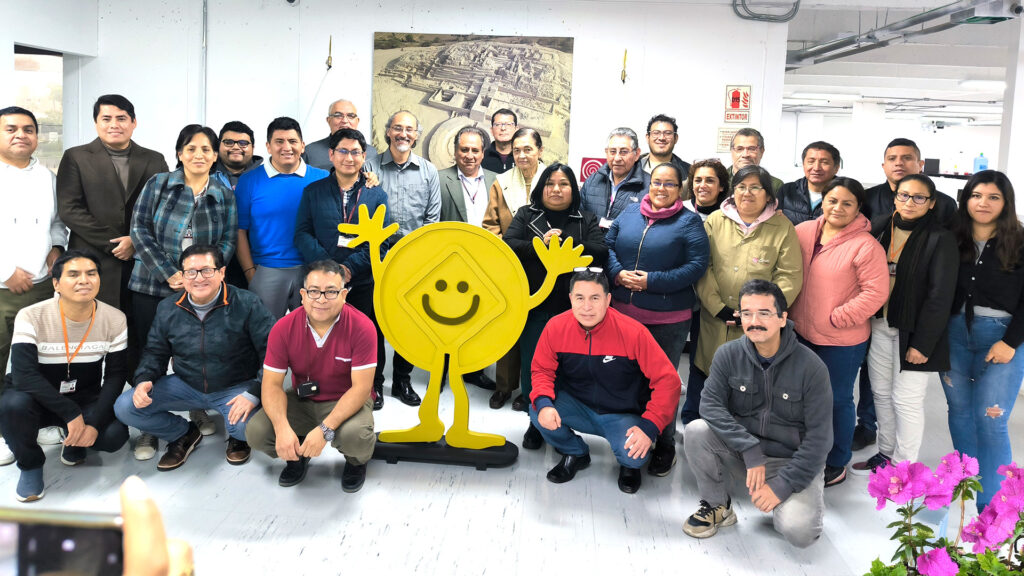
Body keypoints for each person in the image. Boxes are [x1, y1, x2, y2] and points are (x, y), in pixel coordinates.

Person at [683, 280, 831, 548]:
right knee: (696, 430)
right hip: (745, 455)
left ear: (782, 318)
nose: (754, 322)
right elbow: (710, 405)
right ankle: (717, 505)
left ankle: (790, 503)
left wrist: (782, 487)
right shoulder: (728, 354)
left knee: (800, 533)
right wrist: (749, 449)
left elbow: (820, 440)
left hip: (789, 461)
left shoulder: (812, 367)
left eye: (764, 313)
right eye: (747, 313)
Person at [114, 244, 276, 471]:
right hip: (186, 384)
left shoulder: (247, 303)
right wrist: (144, 380)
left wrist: (254, 393)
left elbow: (273, 353)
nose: (199, 278)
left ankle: (236, 435)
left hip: (235, 387)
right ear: (182, 276)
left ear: (222, 272)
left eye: (207, 270)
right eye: (190, 272)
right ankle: (183, 433)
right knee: (125, 406)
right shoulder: (168, 308)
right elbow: (155, 352)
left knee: (250, 431)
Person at [130, 124, 238, 447]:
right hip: (152, 283)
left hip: (201, 289)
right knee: (149, 352)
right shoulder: (159, 184)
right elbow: (139, 229)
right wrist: (168, 272)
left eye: (206, 149)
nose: (198, 155)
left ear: (215, 155)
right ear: (179, 153)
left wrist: (202, 277)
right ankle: (150, 421)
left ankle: (196, 408)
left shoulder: (224, 194)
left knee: (196, 351)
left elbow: (228, 240)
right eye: (191, 148)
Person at [529, 269, 681, 493]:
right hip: (577, 405)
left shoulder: (633, 332)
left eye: (595, 298)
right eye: (580, 298)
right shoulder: (555, 327)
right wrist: (544, 404)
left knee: (634, 456)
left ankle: (628, 466)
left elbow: (668, 381)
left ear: (608, 300)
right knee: (537, 410)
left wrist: (649, 426)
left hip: (621, 413)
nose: (587, 307)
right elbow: (542, 370)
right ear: (570, 299)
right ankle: (576, 452)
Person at [853, 138, 958, 452]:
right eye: (903, 195)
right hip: (880, 324)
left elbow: (940, 297)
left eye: (918, 197)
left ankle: (904, 466)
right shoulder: (880, 227)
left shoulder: (940, 239)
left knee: (907, 400)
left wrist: (923, 344)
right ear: (894, 197)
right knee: (881, 395)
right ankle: (886, 455)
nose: (910, 202)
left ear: (931, 203)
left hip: (914, 331)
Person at [605, 162, 709, 476]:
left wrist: (652, 281)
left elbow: (697, 265)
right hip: (623, 315)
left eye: (669, 184)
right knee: (627, 380)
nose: (661, 189)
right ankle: (631, 440)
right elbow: (608, 246)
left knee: (663, 384)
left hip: (667, 319)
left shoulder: (689, 221)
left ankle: (664, 443)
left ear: (680, 189)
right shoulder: (629, 212)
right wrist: (617, 273)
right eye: (656, 182)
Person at [0, 251, 129, 502]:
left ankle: (74, 442)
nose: (84, 280)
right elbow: (24, 376)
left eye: (91, 273)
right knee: (11, 407)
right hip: (35, 398)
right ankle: (31, 466)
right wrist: (71, 414)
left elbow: (116, 375)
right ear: (56, 283)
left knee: (114, 435)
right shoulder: (31, 315)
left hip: (83, 396)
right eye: (73, 274)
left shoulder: (114, 318)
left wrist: (93, 424)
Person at [789, 177, 888, 487]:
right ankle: (806, 451)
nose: (838, 208)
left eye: (847, 203)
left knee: (836, 400)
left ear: (858, 208)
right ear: (823, 201)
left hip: (840, 339)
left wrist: (839, 318)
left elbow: (876, 292)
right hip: (800, 333)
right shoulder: (803, 231)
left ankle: (837, 461)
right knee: (802, 398)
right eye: (832, 200)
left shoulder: (865, 245)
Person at [245, 260, 377, 491]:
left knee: (355, 437)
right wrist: (282, 428)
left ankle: (355, 462)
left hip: (345, 399)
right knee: (257, 432)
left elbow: (361, 389)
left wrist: (325, 430)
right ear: (303, 295)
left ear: (344, 295)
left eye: (331, 292)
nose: (321, 300)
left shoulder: (362, 327)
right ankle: (297, 455)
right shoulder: (283, 328)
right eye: (314, 291)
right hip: (303, 398)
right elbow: (272, 384)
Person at [504, 163, 608, 445]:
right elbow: (509, 244)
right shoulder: (526, 214)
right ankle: (535, 420)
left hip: (574, 311)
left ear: (573, 189)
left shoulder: (586, 218)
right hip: (535, 305)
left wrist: (566, 243)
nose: (556, 189)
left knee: (568, 368)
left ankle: (562, 423)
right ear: (541, 188)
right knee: (533, 366)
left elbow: (601, 251)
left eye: (563, 184)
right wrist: (541, 243)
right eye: (550, 183)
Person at [941, 170, 1024, 512]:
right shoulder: (951, 237)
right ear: (966, 199)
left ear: (1006, 203)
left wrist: (1011, 342)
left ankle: (994, 509)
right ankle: (967, 494)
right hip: (953, 335)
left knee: (991, 420)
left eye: (993, 197)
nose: (983, 203)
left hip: (1001, 338)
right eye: (976, 195)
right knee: (960, 414)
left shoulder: (1020, 241)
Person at [693, 165, 802, 422]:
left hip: (758, 324)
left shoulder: (782, 227)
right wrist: (718, 308)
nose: (747, 193)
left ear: (768, 195)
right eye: (741, 187)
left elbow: (789, 276)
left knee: (750, 384)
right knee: (709, 376)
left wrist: (760, 314)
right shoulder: (715, 221)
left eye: (755, 187)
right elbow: (703, 267)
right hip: (715, 318)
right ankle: (701, 426)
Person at [294, 128, 390, 410]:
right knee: (321, 334)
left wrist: (349, 269)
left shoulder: (376, 194)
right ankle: (324, 385)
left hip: (362, 280)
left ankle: (373, 385)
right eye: (343, 151)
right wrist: (329, 269)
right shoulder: (313, 192)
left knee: (367, 333)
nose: (349, 158)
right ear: (331, 154)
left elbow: (382, 241)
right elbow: (302, 233)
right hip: (322, 283)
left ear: (364, 156)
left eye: (356, 152)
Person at [56, 95, 169, 314]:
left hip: (141, 262)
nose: (114, 124)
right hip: (91, 261)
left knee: (136, 326)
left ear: (134, 122)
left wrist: (135, 241)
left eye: (121, 118)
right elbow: (70, 209)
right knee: (91, 323)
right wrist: (116, 244)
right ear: (96, 123)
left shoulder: (154, 159)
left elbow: (163, 209)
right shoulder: (76, 157)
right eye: (106, 118)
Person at [363, 110, 440, 407]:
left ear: (417, 134)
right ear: (388, 132)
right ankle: (375, 383)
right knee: (376, 321)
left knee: (409, 321)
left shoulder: (428, 171)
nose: (403, 134)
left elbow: (432, 219)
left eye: (409, 129)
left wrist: (420, 255)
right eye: (397, 128)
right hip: (377, 255)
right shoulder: (369, 167)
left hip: (413, 256)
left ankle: (402, 381)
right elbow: (361, 209)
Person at [235, 117, 329, 320]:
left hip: (312, 269)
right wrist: (250, 272)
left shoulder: (323, 178)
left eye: (292, 141)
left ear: (302, 146)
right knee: (265, 334)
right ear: (268, 146)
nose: (287, 147)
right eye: (279, 141)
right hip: (266, 270)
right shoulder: (249, 181)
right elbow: (239, 230)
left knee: (312, 332)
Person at [436, 125, 503, 401]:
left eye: (475, 150)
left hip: (484, 262)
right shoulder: (439, 178)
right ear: (455, 151)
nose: (469, 155)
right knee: (444, 317)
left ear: (483, 153)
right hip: (450, 261)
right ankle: (440, 370)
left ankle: (473, 370)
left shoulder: (497, 180)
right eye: (464, 149)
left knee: (478, 318)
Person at [0, 106, 66, 379]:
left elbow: (57, 222)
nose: (21, 135)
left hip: (41, 288)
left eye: (28, 130)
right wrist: (6, 272)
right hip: (3, 290)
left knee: (39, 361)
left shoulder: (47, 177)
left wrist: (56, 248)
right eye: (11, 129)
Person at [679, 159, 731, 426]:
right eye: (698, 180)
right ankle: (683, 416)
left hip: (711, 301)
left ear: (721, 186)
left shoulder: (730, 217)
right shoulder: (680, 210)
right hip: (678, 295)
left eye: (710, 180)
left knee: (702, 359)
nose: (702, 185)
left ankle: (697, 413)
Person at [580, 127, 651, 232]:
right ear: (606, 152)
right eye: (612, 151)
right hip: (593, 242)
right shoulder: (592, 181)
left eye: (624, 152)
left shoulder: (650, 186)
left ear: (636, 154)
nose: (617, 158)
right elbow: (580, 220)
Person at [482, 127, 545, 238]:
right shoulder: (501, 182)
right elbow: (491, 226)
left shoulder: (552, 181)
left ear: (540, 151)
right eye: (516, 150)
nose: (521, 156)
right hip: (508, 247)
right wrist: (506, 246)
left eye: (527, 150)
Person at [776, 141, 841, 225]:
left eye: (824, 162)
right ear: (803, 165)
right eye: (811, 161)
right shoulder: (787, 190)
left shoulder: (846, 194)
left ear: (836, 168)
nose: (816, 168)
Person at [302, 99, 378, 171]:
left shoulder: (371, 153)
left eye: (351, 116)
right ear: (328, 120)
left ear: (357, 121)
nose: (345, 121)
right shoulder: (310, 152)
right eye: (338, 115)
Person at [727, 128, 783, 194]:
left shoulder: (775, 186)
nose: (745, 155)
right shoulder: (719, 181)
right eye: (739, 149)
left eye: (752, 149)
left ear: (762, 151)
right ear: (731, 151)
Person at [212, 121, 264, 190]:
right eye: (228, 142)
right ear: (219, 146)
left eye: (243, 143)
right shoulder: (205, 174)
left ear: (253, 148)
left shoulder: (266, 176)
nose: (236, 147)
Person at [481, 108, 517, 174]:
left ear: (516, 129)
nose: (503, 128)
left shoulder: (524, 158)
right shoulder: (481, 157)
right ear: (491, 130)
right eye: (497, 125)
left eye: (508, 124)